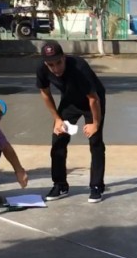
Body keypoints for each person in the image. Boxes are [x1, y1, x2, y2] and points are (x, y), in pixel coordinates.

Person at [36, 40, 107, 203]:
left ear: (64, 58)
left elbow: (93, 98)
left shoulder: (79, 67)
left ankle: (96, 186)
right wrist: (57, 119)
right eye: (51, 65)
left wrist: (95, 124)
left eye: (58, 63)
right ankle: (60, 184)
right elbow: (45, 93)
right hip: (70, 102)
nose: (55, 68)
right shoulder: (42, 68)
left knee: (95, 141)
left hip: (92, 102)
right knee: (58, 139)